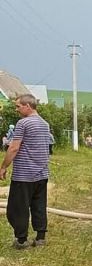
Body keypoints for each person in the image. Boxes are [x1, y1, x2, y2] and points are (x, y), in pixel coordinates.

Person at [0, 94, 51, 248]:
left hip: (24, 174)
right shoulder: (44, 124)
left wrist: (3, 166)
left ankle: (21, 240)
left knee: (17, 208)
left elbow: (14, 147)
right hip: (41, 173)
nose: (17, 109)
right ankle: (40, 237)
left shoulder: (23, 123)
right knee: (39, 206)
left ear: (28, 106)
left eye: (18, 106)